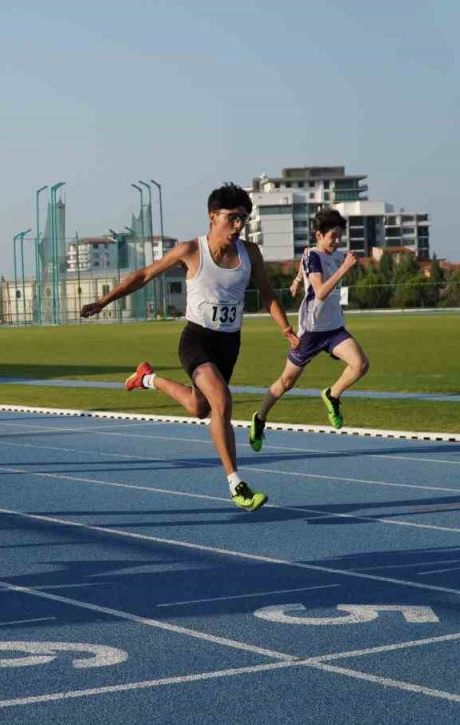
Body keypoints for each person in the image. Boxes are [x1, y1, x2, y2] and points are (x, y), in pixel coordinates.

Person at [81, 183, 299, 511]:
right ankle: (236, 484)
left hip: (229, 344)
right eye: (232, 217)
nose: (238, 225)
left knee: (200, 408)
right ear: (212, 216)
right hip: (196, 340)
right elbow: (144, 275)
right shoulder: (191, 251)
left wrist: (286, 329)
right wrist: (103, 301)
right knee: (222, 401)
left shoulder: (250, 253)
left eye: (243, 218)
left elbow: (267, 293)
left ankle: (146, 378)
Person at [250, 209, 368, 448]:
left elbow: (303, 261)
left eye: (340, 236)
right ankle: (259, 418)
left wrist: (296, 280)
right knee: (286, 382)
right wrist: (343, 269)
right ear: (319, 235)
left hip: (334, 328)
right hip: (311, 332)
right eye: (333, 236)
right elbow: (321, 292)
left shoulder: (331, 255)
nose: (337, 241)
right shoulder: (314, 256)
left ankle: (332, 395)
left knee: (360, 364)